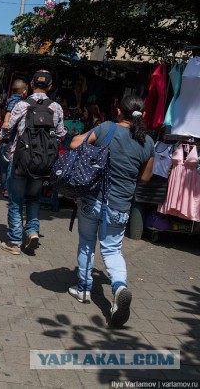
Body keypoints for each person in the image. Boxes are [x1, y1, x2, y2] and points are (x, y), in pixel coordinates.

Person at [68, 95, 154, 327]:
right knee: (113, 250)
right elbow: (145, 177)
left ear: (118, 112)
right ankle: (119, 288)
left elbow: (75, 144)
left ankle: (84, 289)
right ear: (143, 116)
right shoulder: (147, 142)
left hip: (93, 199)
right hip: (120, 205)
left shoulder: (106, 128)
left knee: (87, 242)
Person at [0, 70, 66, 256]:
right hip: (43, 162)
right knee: (34, 198)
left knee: (15, 201)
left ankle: (14, 241)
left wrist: (4, 135)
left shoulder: (22, 105)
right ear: (50, 86)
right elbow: (61, 134)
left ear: (31, 84)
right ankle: (32, 231)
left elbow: (7, 131)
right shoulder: (57, 108)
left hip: (20, 160)